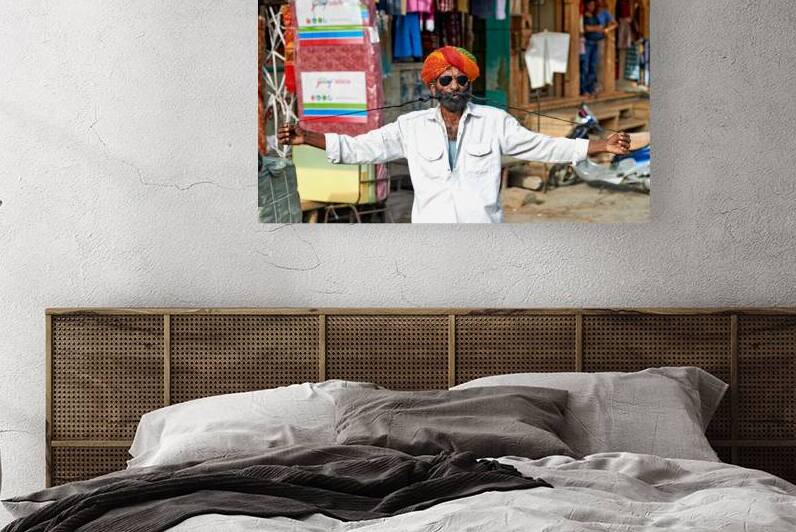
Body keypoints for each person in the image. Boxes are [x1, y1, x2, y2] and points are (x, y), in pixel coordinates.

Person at [279, 46, 630, 223]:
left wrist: (600, 144)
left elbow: (543, 146)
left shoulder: (495, 121)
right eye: (446, 80)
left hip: (483, 237)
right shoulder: (410, 127)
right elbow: (359, 147)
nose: (455, 85)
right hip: (431, 240)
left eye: (462, 79)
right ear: (433, 87)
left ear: (469, 84)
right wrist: (306, 136)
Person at [581, 0, 606, 97]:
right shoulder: (585, 17)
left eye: (593, 5)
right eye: (590, 4)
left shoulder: (594, 16)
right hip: (588, 43)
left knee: (593, 66)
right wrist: (596, 28)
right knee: (585, 66)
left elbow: (601, 27)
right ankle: (584, 89)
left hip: (595, 43)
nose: (592, 6)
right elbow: (587, 28)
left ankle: (591, 89)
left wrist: (594, 28)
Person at [594, 0, 618, 95]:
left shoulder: (605, 13)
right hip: (589, 39)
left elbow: (615, 24)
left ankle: (598, 85)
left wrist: (606, 30)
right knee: (589, 63)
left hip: (600, 39)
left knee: (599, 62)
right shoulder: (591, 12)